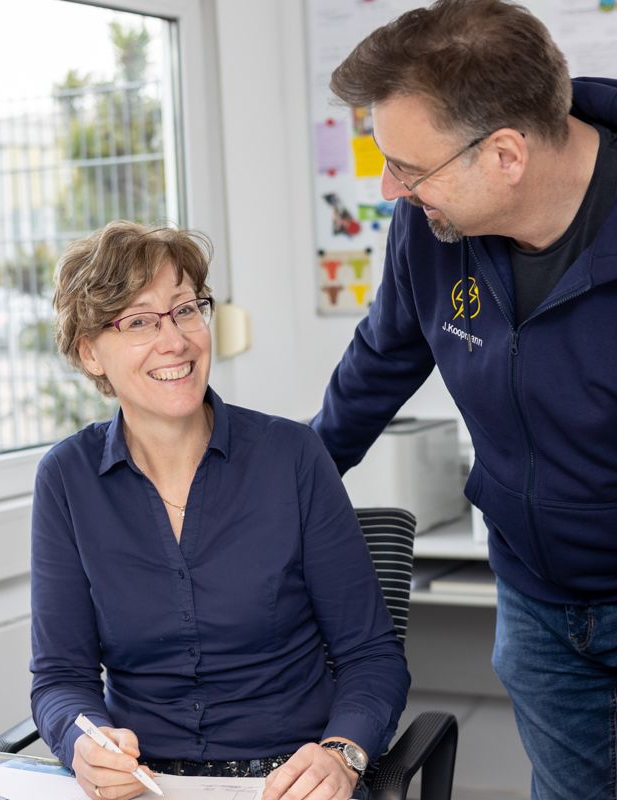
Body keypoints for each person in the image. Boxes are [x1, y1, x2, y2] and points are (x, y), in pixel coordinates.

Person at [309, 2, 617, 798]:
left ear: (505, 154)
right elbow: (375, 368)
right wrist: (270, 486)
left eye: (408, 166)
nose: (392, 189)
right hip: (538, 591)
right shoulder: (434, 228)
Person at [30, 220, 410, 800]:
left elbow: (371, 655)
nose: (176, 340)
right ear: (90, 352)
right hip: (145, 786)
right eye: (138, 321)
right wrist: (84, 743)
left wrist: (342, 754)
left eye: (186, 309)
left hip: (291, 784)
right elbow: (61, 678)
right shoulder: (67, 479)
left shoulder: (293, 456)